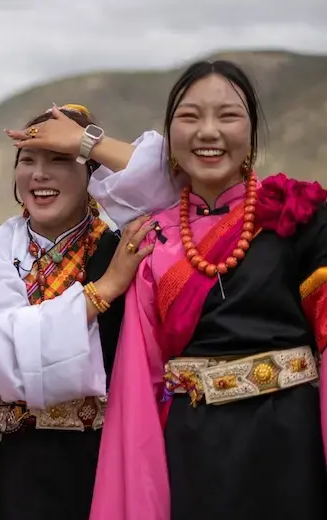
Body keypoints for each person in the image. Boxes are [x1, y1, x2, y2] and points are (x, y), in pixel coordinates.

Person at [73, 60, 327, 520]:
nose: (208, 131)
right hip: (192, 454)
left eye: (228, 116)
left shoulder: (300, 218)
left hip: (291, 446)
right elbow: (140, 383)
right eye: (189, 117)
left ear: (252, 131)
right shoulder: (152, 241)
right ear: (169, 137)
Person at [0, 105, 161, 520]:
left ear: (92, 173)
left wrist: (90, 142)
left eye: (60, 159)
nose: (39, 174)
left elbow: (172, 179)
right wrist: (105, 289)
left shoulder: (125, 244)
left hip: (107, 456)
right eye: (28, 160)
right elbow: (7, 352)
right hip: (15, 466)